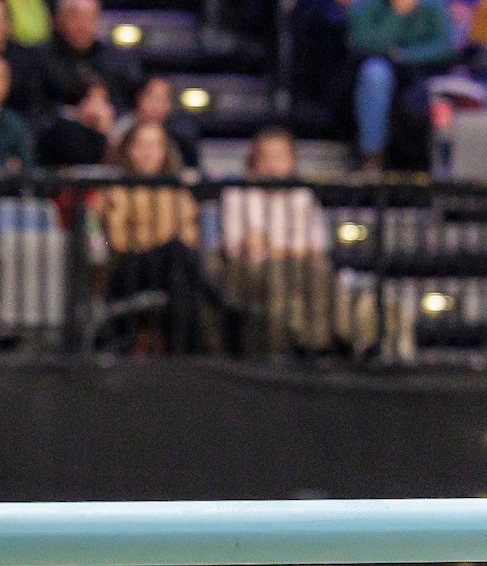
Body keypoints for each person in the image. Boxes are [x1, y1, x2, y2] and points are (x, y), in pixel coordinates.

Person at [218, 126, 332, 356]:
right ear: (254, 161)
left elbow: (317, 247)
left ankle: (315, 348)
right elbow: (236, 248)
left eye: (280, 157)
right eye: (266, 157)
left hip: (301, 271)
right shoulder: (237, 194)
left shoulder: (303, 196)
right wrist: (287, 250)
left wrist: (270, 245)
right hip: (250, 273)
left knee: (321, 272)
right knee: (277, 274)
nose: (273, 164)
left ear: (292, 162)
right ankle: (294, 352)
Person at [95, 120, 204, 353]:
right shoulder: (117, 188)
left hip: (169, 270)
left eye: (156, 145)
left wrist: (152, 238)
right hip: (128, 270)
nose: (149, 152)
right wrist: (162, 241)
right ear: (129, 150)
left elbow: (191, 236)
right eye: (142, 145)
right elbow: (118, 241)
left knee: (180, 282)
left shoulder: (176, 190)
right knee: (175, 252)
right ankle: (216, 297)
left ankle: (185, 363)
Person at [347, 0, 457, 171]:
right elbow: (363, 43)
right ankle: (373, 155)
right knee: (375, 74)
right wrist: (397, 14)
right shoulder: (365, 3)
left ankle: (434, 167)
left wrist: (404, 55)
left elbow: (444, 46)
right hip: (382, 72)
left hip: (424, 71)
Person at [33, 0, 141, 123]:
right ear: (59, 19)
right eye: (75, 16)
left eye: (90, 17)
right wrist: (75, 114)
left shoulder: (114, 58)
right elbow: (36, 109)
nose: (83, 25)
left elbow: (125, 103)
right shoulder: (39, 58)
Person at [120, 73, 201, 169]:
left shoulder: (178, 135)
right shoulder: (120, 131)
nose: (157, 104)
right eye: (152, 97)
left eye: (164, 98)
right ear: (139, 97)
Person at [36, 79, 115, 168]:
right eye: (103, 100)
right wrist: (101, 131)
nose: (108, 107)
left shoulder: (84, 130)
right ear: (84, 101)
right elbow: (88, 163)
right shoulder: (64, 129)